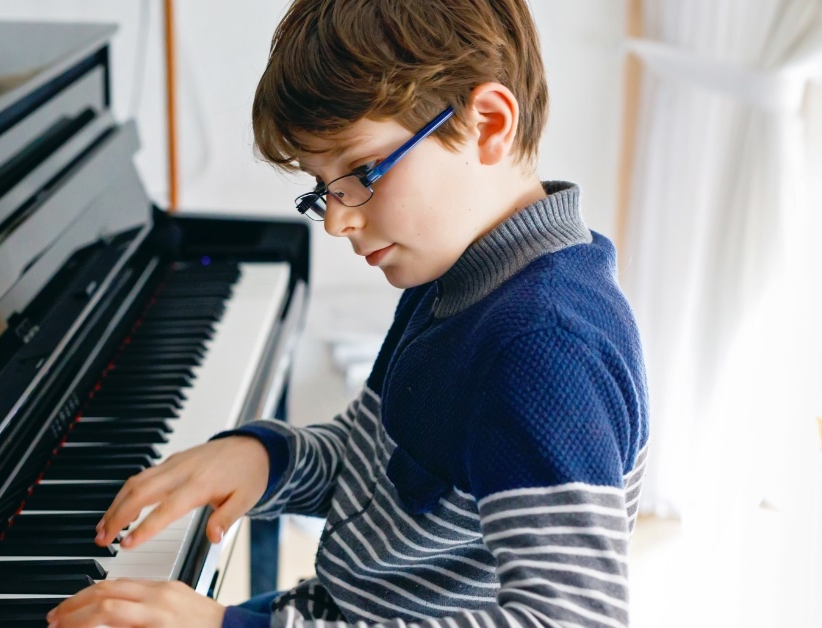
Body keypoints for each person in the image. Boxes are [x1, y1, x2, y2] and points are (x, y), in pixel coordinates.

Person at [46, 0, 649, 626]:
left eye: (362, 171)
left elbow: (574, 619)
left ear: (489, 124)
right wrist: (268, 460)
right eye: (321, 186)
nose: (337, 220)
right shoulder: (456, 277)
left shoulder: (543, 348)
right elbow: (389, 479)